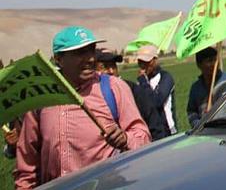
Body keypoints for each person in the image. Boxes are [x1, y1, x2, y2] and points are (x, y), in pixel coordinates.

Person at [15, 27, 151, 188]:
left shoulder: (114, 88)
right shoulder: (42, 97)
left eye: (91, 50)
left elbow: (143, 137)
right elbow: (27, 160)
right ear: (59, 59)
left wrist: (125, 139)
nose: (91, 59)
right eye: (80, 52)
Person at [95, 50, 168, 140]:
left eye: (113, 66)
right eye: (104, 67)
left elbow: (154, 123)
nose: (111, 71)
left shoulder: (132, 90)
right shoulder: (89, 97)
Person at [187, 47, 226, 128]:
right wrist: (197, 124)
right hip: (205, 131)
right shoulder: (196, 88)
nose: (214, 64)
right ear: (199, 65)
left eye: (215, 60)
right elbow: (191, 111)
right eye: (209, 61)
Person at [135, 45, 177, 140]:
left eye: (147, 62)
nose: (143, 66)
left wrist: (144, 82)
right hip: (151, 131)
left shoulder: (165, 77)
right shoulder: (141, 81)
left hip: (167, 131)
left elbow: (157, 101)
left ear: (155, 60)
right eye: (140, 62)